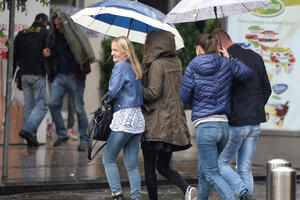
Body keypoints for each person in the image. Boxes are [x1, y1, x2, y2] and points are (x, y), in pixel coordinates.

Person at [180, 33, 254, 200]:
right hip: (223, 126)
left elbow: (184, 97)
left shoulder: (192, 66)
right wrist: (230, 58)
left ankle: (237, 197)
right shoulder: (226, 63)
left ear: (199, 48)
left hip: (205, 127)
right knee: (204, 170)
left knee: (213, 173)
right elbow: (247, 74)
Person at [212, 29, 271, 200]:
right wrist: (256, 108)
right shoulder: (255, 56)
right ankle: (246, 196)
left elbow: (222, 93)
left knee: (221, 164)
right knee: (244, 168)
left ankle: (242, 192)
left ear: (219, 45)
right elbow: (267, 89)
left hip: (236, 123)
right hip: (255, 122)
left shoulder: (225, 62)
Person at [141, 30, 196, 200]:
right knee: (163, 166)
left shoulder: (158, 64)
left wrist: (136, 87)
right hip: (172, 121)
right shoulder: (176, 62)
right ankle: (187, 189)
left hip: (156, 122)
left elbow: (153, 93)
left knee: (149, 166)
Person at [43, 13, 95, 151]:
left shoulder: (75, 35)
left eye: (59, 24)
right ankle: (63, 133)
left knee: (79, 108)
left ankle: (84, 139)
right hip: (60, 77)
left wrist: (83, 71)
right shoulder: (55, 37)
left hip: (74, 76)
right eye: (56, 24)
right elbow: (56, 55)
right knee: (53, 104)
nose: (57, 27)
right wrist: (49, 54)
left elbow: (83, 51)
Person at [102, 36, 145, 200]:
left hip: (124, 118)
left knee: (108, 158)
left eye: (115, 50)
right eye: (112, 49)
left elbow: (112, 92)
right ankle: (136, 197)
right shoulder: (135, 66)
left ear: (125, 52)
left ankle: (118, 196)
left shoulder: (120, 66)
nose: (112, 53)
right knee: (132, 165)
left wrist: (114, 73)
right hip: (138, 120)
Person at [14, 13, 49, 147]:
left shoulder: (22, 33)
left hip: (24, 74)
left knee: (28, 106)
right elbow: (48, 53)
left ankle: (31, 138)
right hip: (37, 73)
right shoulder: (45, 33)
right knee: (42, 105)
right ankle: (27, 130)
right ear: (43, 21)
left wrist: (14, 74)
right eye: (46, 23)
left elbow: (15, 55)